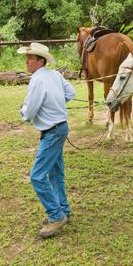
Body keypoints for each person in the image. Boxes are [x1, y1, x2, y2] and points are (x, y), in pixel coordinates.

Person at [18, 42, 76, 238]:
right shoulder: (55, 75)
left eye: (30, 58)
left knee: (37, 176)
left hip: (52, 132)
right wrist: (56, 103)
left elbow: (31, 108)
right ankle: (63, 210)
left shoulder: (37, 80)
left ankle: (56, 215)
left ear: (40, 61)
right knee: (55, 172)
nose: (27, 61)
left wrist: (24, 113)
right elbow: (71, 93)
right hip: (60, 127)